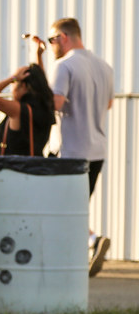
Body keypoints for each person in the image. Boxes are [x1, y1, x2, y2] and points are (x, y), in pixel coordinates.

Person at [0, 61, 57, 282]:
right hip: (34, 177)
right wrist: (38, 57)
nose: (13, 89)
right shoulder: (45, 108)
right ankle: (25, 270)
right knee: (26, 228)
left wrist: (12, 77)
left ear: (25, 86)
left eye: (17, 84)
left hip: (11, 178)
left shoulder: (18, 110)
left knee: (2, 228)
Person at [42, 18, 115, 276]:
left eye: (52, 40)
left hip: (70, 151)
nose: (51, 46)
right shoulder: (105, 67)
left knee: (60, 206)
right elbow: (108, 105)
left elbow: (57, 102)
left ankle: (90, 241)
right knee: (76, 205)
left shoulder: (64, 65)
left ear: (63, 37)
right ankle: (74, 254)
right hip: (96, 151)